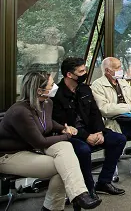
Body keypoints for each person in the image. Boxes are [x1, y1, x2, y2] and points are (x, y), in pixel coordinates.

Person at [0, 71, 101, 211]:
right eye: (51, 84)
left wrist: (63, 129)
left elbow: (48, 123)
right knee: (64, 168)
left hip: (30, 148)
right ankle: (55, 207)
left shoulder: (47, 103)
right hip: (9, 155)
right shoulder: (20, 111)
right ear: (39, 90)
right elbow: (39, 142)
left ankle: (79, 194)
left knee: (64, 151)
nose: (55, 86)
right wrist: (67, 135)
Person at [53, 57, 126, 198]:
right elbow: (63, 124)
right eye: (81, 71)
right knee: (83, 150)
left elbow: (95, 113)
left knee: (119, 139)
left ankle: (104, 182)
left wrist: (99, 131)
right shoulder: (57, 95)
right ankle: (88, 187)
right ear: (69, 74)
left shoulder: (85, 89)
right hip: (71, 135)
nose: (85, 73)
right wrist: (86, 136)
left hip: (92, 131)